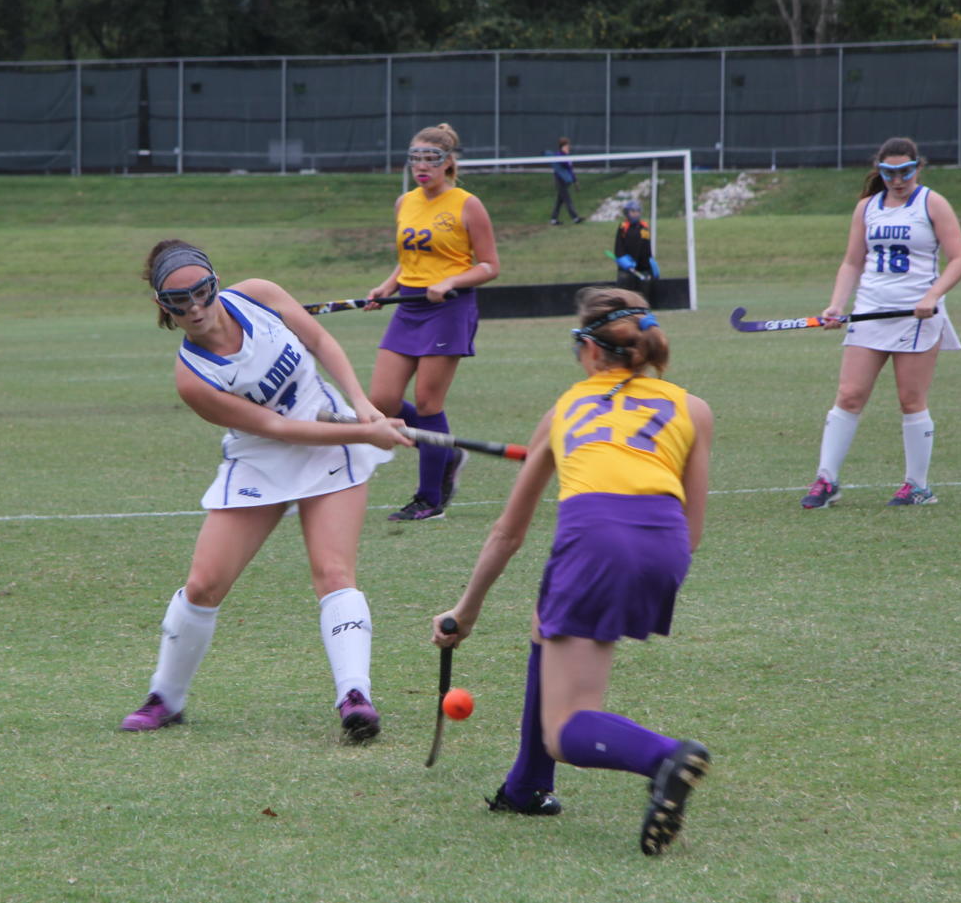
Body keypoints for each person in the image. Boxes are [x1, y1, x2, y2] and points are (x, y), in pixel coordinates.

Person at [430, 287, 713, 855]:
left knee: (566, 729)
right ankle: (527, 786)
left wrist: (466, 611)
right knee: (549, 615)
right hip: (664, 544)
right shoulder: (693, 408)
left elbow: (509, 533)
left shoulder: (564, 410)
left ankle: (666, 756)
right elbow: (693, 527)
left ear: (588, 350)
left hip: (593, 540)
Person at [121, 239, 412, 742]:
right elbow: (279, 431)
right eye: (178, 302)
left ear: (215, 282)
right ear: (162, 307)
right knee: (204, 584)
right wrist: (365, 432)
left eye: (202, 293)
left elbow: (321, 342)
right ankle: (165, 697)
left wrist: (363, 405)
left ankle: (354, 695)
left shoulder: (258, 294)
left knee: (334, 571)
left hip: (330, 442)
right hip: (263, 458)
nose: (195, 308)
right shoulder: (193, 378)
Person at [801, 137, 961, 509]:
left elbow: (959, 259)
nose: (897, 179)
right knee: (849, 395)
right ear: (879, 170)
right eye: (889, 172)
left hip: (916, 316)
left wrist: (932, 296)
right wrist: (835, 305)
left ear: (917, 167)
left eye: (905, 171)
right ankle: (826, 480)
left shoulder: (932, 203)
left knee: (911, 400)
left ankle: (917, 485)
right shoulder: (867, 208)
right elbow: (852, 262)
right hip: (870, 310)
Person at [364, 122, 501, 521]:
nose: (422, 167)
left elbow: (490, 265)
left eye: (431, 159)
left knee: (427, 403)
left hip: (450, 309)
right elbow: (409, 260)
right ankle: (446, 452)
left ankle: (429, 498)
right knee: (381, 401)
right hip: (408, 306)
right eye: (416, 158)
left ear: (448, 162)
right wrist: (386, 286)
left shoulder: (467, 204)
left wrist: (452, 281)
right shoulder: (404, 202)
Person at [613, 199, 659, 295]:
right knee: (624, 285)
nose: (636, 214)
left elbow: (646, 246)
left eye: (638, 211)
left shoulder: (644, 227)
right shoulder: (623, 227)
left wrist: (650, 262)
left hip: (642, 267)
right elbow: (618, 247)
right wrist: (624, 261)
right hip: (627, 267)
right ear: (627, 213)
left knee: (644, 289)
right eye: (633, 211)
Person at [548, 137, 585, 225]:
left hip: (566, 181)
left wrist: (575, 181)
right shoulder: (558, 156)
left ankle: (553, 219)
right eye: (566, 146)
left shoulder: (566, 156)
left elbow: (570, 169)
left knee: (559, 201)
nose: (568, 147)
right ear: (562, 146)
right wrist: (566, 158)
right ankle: (575, 218)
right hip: (560, 181)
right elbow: (562, 166)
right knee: (567, 200)